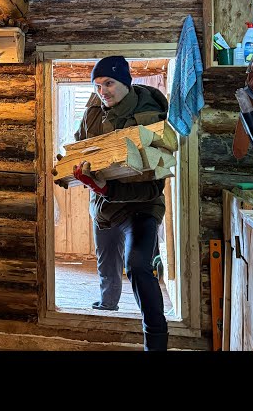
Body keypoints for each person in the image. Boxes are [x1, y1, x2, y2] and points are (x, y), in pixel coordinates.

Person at [72, 55, 169, 351]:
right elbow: (78, 148)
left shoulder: (149, 114)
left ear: (125, 82)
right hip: (103, 207)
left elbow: (154, 184)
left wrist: (105, 188)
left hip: (141, 207)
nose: (103, 91)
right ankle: (107, 303)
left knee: (138, 265)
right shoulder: (92, 113)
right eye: (98, 85)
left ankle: (156, 342)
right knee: (105, 261)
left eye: (109, 83)